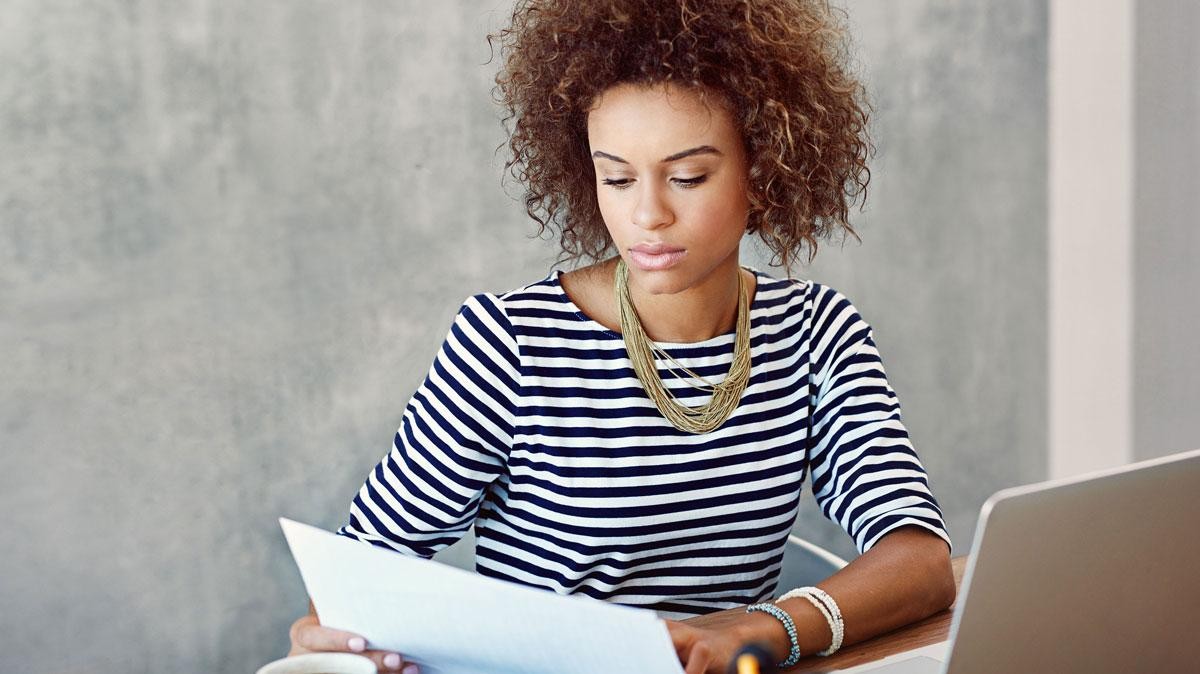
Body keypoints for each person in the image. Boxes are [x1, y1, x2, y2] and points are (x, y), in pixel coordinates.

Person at [288, 1, 955, 672]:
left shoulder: (816, 334)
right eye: (618, 177)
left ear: (765, 167)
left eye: (688, 177)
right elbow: (359, 578)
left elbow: (921, 559)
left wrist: (767, 629)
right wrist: (331, 634)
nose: (647, 214)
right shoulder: (509, 345)